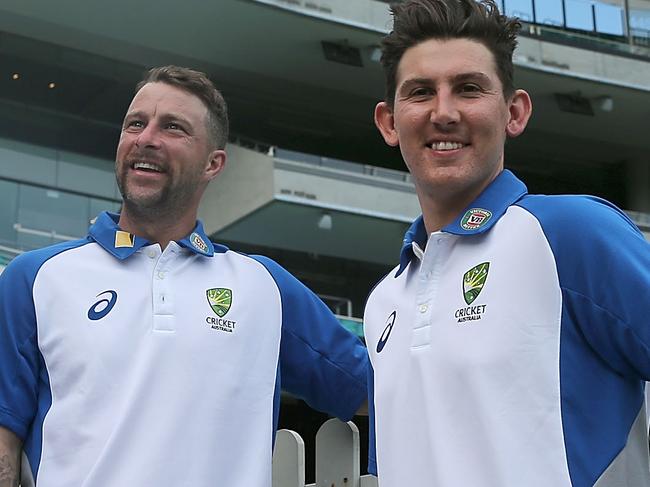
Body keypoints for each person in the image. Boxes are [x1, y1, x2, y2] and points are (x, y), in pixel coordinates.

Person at [0, 66, 368, 487]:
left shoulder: (265, 287)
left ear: (214, 163)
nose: (146, 138)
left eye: (172, 127)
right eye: (135, 123)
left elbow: (373, 391)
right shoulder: (33, 278)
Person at [364, 1, 650, 486]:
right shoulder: (383, 303)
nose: (444, 112)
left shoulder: (571, 233)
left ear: (514, 112)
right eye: (420, 92)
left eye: (469, 88)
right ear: (389, 123)